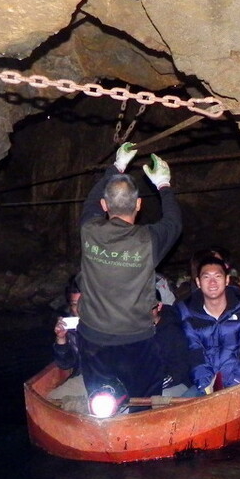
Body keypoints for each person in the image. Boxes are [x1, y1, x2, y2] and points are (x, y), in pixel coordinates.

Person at [76, 142, 182, 411]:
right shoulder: (149, 240)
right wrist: (164, 184)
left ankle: (101, 418)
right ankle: (139, 418)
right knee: (144, 399)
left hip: (92, 338)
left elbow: (91, 199)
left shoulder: (89, 229)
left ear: (104, 205)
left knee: (99, 395)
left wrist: (117, 166)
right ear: (138, 204)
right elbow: (173, 222)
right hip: (135, 340)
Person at [178, 255, 240, 393]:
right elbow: (193, 351)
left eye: (218, 276)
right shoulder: (188, 315)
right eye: (206, 277)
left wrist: (236, 381)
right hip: (206, 383)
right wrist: (205, 385)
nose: (212, 282)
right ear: (198, 282)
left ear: (227, 280)